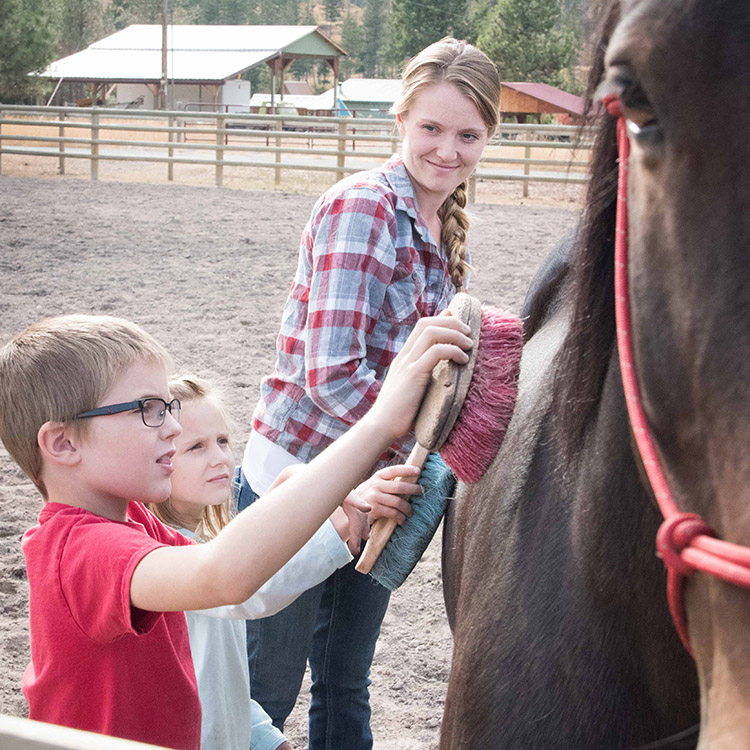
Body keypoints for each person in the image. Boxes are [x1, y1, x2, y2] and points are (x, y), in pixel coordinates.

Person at [0, 312, 472, 749]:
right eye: (148, 408)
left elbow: (236, 592)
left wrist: (324, 506)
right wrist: (380, 424)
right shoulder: (78, 551)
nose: (171, 426)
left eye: (167, 406)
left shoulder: (134, 522)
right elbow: (222, 575)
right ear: (62, 443)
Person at [236, 37, 501, 749]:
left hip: (379, 484)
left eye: (468, 135)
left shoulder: (439, 221)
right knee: (267, 691)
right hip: (300, 480)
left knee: (346, 682)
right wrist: (426, 441)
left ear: (488, 138)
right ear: (402, 121)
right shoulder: (365, 209)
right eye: (432, 129)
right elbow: (329, 375)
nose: (448, 150)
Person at [147, 375, 423, 750]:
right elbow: (254, 587)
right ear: (158, 459)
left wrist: (267, 739)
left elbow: (220, 677)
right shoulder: (166, 558)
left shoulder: (205, 543)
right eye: (196, 447)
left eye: (223, 441)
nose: (220, 458)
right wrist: (346, 514)